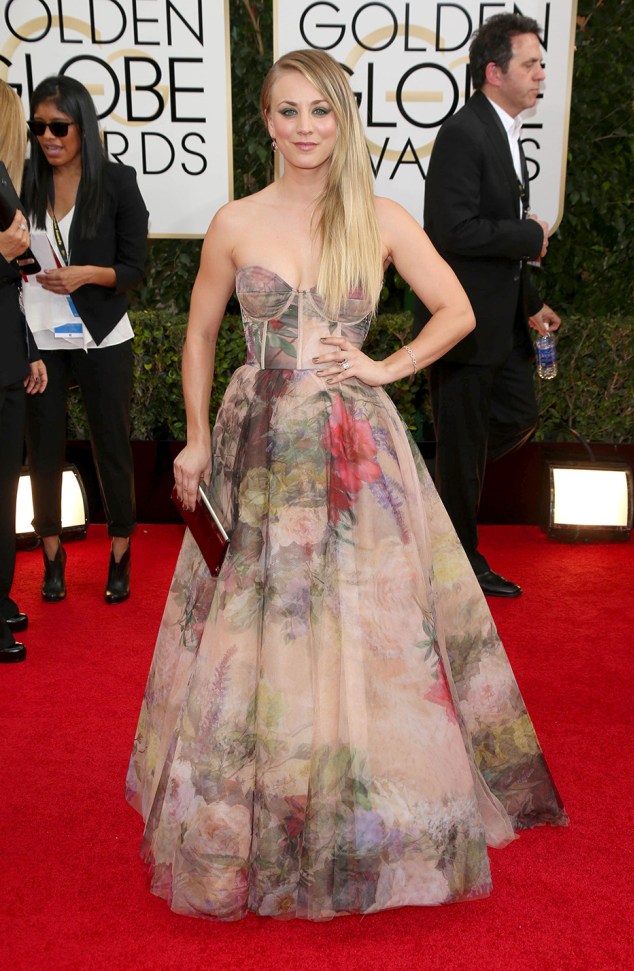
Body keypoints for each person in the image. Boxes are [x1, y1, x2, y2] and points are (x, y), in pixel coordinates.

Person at [127, 48, 567, 922]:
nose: (304, 128)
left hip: (350, 448)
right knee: (256, 624)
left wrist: (381, 366)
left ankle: (358, 806)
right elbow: (200, 335)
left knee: (367, 622)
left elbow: (461, 310)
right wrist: (195, 437)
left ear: (343, 118)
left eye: (320, 111)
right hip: (254, 446)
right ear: (265, 121)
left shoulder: (382, 216)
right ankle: (262, 802)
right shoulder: (234, 221)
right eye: (287, 112)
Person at [415, 13, 561, 598]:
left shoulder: (500, 130)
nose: (541, 74)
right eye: (530, 63)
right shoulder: (464, 132)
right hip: (463, 326)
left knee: (517, 416)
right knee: (465, 446)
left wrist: (534, 299)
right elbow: (450, 231)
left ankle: (426, 493)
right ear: (493, 71)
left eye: (542, 63)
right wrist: (529, 235)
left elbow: (492, 240)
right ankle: (460, 564)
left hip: (500, 325)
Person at [22, 75, 148, 604]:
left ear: (83, 127)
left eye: (58, 126)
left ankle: (120, 551)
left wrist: (85, 274)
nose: (48, 136)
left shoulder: (117, 181)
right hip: (38, 334)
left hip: (102, 332)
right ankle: (52, 554)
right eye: (38, 127)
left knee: (111, 446)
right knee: (43, 448)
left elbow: (134, 268)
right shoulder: (25, 179)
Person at [0, 81, 48, 663]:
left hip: (8, 355)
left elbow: (15, 275)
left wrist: (30, 346)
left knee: (6, 487)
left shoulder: (4, 174)